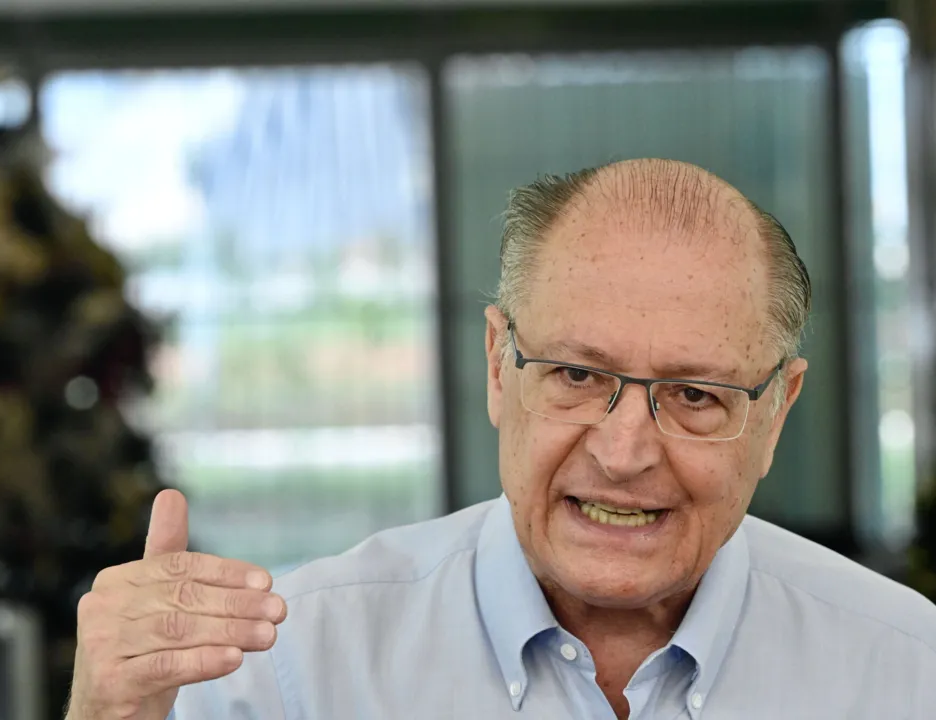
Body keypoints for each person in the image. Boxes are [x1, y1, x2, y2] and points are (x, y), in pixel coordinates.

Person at [66, 159, 936, 720]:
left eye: (695, 394)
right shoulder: (292, 666)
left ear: (776, 410)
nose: (625, 450)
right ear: (497, 366)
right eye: (577, 375)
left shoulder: (909, 670)